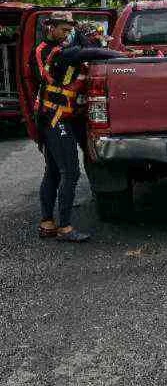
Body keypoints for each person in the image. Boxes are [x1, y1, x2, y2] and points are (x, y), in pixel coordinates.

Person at [32, 12, 119, 242]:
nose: (66, 33)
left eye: (70, 31)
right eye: (62, 29)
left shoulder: (72, 53)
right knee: (69, 172)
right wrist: (122, 55)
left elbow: (88, 54)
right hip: (54, 118)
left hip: (60, 117)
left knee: (53, 171)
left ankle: (47, 223)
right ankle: (65, 227)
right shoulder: (55, 52)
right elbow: (88, 52)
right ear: (50, 27)